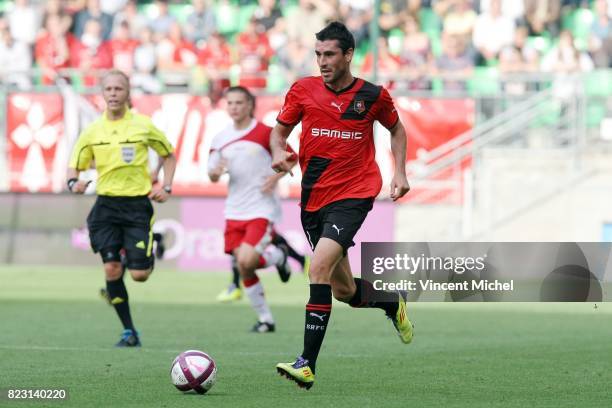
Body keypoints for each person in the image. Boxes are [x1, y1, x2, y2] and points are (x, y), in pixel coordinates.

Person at [270, 22, 413, 389]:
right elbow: (279, 132)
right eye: (318, 54)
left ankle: (307, 364)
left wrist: (400, 172)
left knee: (317, 267)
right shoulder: (302, 90)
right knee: (344, 291)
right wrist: (278, 154)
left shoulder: (372, 96)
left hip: (354, 193)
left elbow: (396, 129)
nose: (322, 61)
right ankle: (391, 303)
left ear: (348, 54)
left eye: (330, 54)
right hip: (313, 198)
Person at [67, 69, 176, 347]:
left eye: (119, 89)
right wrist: (73, 183)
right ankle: (129, 331)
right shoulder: (92, 131)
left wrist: (166, 186)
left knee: (139, 275)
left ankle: (153, 245)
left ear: (128, 93)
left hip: (137, 206)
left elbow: (168, 154)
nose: (113, 93)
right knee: (113, 269)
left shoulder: (143, 125)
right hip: (105, 208)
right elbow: (75, 166)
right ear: (102, 94)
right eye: (109, 89)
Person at [207, 86, 296, 333]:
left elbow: (291, 157)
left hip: (261, 208)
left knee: (246, 260)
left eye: (239, 102)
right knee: (244, 265)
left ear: (250, 105)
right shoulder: (220, 138)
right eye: (230, 103)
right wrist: (214, 173)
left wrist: (274, 179)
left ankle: (278, 256)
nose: (234, 107)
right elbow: (213, 174)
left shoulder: (265, 132)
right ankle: (266, 319)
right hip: (234, 210)